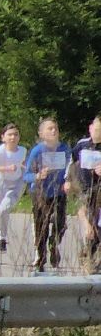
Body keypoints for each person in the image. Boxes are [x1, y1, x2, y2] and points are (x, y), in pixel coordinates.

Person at [24, 118, 70, 271]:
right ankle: (41, 258)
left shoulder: (64, 149)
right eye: (49, 128)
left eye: (55, 128)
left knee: (61, 223)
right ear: (41, 133)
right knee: (41, 226)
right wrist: (38, 176)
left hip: (59, 193)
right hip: (40, 193)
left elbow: (70, 170)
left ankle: (54, 244)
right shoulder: (37, 151)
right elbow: (26, 175)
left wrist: (68, 181)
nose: (53, 131)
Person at [0, 122, 26, 268]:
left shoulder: (23, 151)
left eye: (16, 134)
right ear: (3, 137)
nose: (13, 137)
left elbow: (26, 165)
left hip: (16, 185)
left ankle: (3, 237)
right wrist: (6, 168)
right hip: (1, 184)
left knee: (5, 209)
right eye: (10, 135)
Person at [73, 115, 101, 272]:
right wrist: (68, 180)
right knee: (89, 222)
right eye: (95, 128)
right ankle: (87, 257)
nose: (96, 131)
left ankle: (91, 257)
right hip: (85, 188)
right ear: (90, 129)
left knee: (99, 226)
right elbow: (71, 161)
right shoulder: (81, 145)